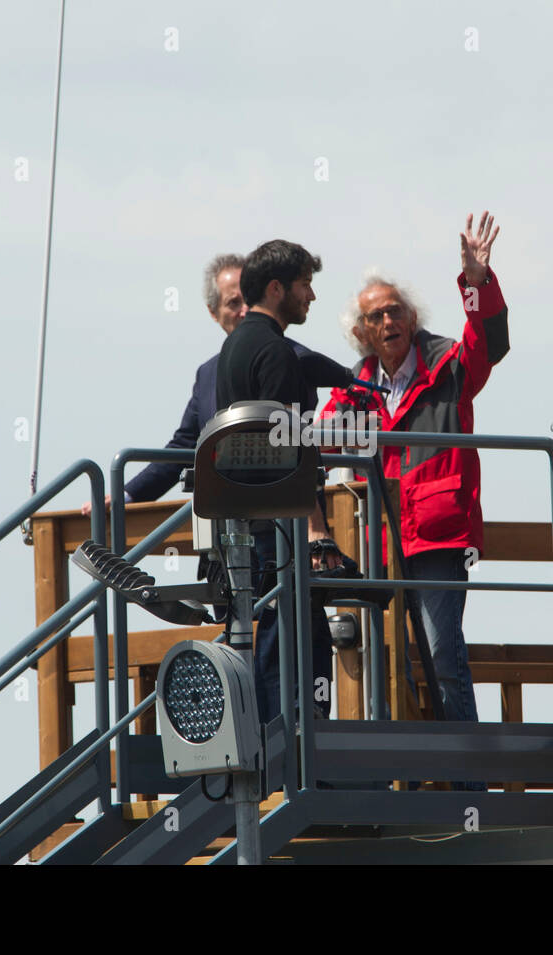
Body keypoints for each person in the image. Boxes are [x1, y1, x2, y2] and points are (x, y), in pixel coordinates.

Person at [318, 211, 508, 728]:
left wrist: (477, 283)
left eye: (395, 311)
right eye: (376, 317)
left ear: (412, 316)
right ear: (362, 332)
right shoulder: (353, 386)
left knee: (444, 661)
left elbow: (491, 345)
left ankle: (468, 790)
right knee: (377, 664)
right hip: (373, 541)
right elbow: (321, 443)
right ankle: (387, 786)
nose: (388, 322)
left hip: (438, 537)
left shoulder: (448, 363)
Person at [216, 239, 342, 721]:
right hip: (276, 533)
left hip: (244, 527)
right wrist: (316, 528)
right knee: (302, 646)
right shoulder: (276, 353)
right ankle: (302, 766)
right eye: (305, 284)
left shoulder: (234, 346)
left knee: (264, 642)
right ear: (276, 288)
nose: (311, 296)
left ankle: (270, 766)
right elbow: (289, 451)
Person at [81, 253, 248, 513]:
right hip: (221, 533)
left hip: (280, 529)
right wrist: (127, 495)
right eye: (234, 303)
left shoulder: (292, 357)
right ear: (214, 313)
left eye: (250, 298)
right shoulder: (207, 374)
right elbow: (184, 447)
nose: (244, 310)